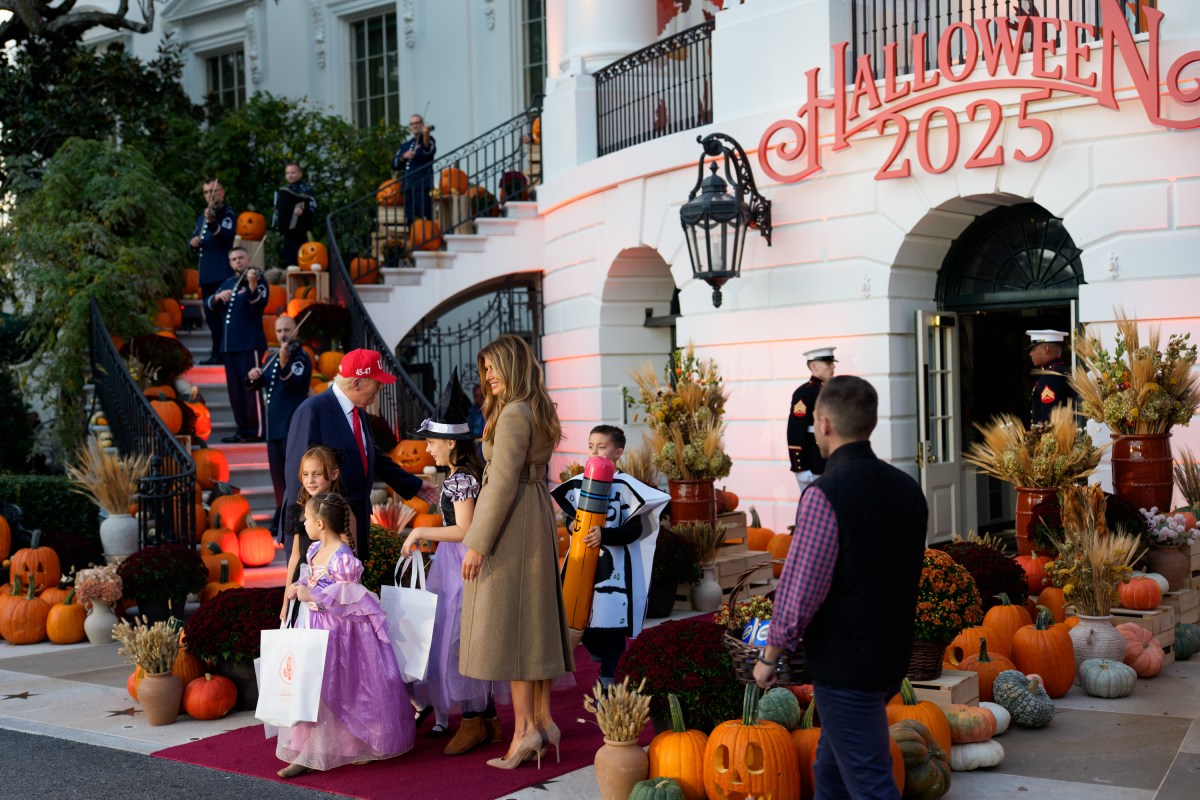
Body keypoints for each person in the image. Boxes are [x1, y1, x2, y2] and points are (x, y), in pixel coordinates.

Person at [755, 375, 927, 800]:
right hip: (891, 653)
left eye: (814, 421)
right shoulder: (907, 488)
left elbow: (800, 590)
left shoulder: (824, 495)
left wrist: (769, 656)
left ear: (825, 423)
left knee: (871, 785)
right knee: (830, 772)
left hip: (848, 665)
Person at [460, 334, 573, 770]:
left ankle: (526, 731)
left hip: (510, 524)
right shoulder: (537, 408)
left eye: (493, 367)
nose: (487, 376)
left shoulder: (512, 414)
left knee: (512, 629)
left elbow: (502, 482)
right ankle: (541, 723)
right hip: (534, 515)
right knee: (533, 624)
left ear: (513, 366)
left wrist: (477, 544)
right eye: (484, 369)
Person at [276, 492, 414, 777]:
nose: (303, 525)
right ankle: (306, 751)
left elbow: (348, 596)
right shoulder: (314, 550)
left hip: (341, 634)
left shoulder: (343, 558)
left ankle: (359, 742)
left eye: (306, 520)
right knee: (312, 688)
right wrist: (297, 587)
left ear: (320, 523)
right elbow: (309, 577)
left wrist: (310, 593)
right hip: (314, 627)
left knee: (345, 688)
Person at [401, 369, 499, 756]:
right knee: (459, 639)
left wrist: (420, 533)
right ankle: (486, 719)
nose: (427, 448)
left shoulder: (461, 479)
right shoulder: (461, 475)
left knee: (459, 641)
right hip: (452, 563)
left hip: (460, 564)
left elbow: (465, 529)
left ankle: (474, 721)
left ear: (449, 443)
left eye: (431, 441)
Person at [283, 349, 438, 560]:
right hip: (320, 534)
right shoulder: (313, 410)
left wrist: (415, 485)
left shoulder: (360, 415)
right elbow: (296, 475)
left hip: (353, 529)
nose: (380, 389)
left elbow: (373, 457)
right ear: (357, 384)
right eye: (377, 383)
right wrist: (303, 532)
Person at [550, 424, 669, 689]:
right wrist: (571, 525)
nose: (595, 452)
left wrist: (606, 535)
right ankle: (598, 651)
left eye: (601, 447)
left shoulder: (627, 487)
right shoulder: (582, 482)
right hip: (583, 568)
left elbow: (634, 529)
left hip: (615, 571)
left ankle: (609, 674)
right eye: (591, 446)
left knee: (612, 621)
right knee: (582, 618)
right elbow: (570, 514)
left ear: (618, 453)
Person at [247, 314, 312, 530]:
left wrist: (285, 360)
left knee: (293, 476)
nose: (283, 335)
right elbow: (257, 385)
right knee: (277, 477)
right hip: (273, 429)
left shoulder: (301, 357)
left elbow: (293, 381)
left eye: (287, 330)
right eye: (278, 331)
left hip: (292, 428)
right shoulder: (271, 358)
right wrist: (253, 376)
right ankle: (280, 510)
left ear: (296, 331)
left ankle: (293, 516)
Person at [278, 446, 351, 624]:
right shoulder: (298, 510)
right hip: (301, 587)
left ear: (333, 474)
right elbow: (295, 556)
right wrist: (285, 601)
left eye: (317, 474)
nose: (310, 480)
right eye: (305, 474)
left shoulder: (340, 510)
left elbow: (347, 553)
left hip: (328, 591)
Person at [206, 246, 268, 443]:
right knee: (235, 391)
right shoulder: (227, 283)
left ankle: (256, 431)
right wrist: (216, 297)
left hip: (249, 344)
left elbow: (258, 304)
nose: (238, 261)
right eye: (233, 259)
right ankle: (242, 430)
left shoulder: (258, 279)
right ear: (230, 263)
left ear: (248, 259)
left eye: (241, 257)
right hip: (229, 346)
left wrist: (251, 285)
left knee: (251, 389)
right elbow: (210, 304)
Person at [189, 177, 237, 365]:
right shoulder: (202, 215)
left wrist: (212, 223)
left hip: (221, 272)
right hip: (206, 274)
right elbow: (195, 236)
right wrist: (192, 243)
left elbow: (226, 237)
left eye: (214, 191)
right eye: (207, 192)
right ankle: (215, 353)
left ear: (222, 192)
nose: (210, 195)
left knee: (221, 317)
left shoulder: (226, 213)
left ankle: (223, 353)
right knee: (210, 318)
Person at [788, 347, 837, 496]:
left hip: (828, 464)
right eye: (828, 363)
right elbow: (796, 430)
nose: (833, 367)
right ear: (814, 366)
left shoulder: (829, 390)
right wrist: (800, 467)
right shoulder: (805, 392)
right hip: (813, 465)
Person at [392, 113, 437, 226]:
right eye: (412, 123)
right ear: (409, 127)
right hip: (407, 188)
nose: (415, 125)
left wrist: (426, 134)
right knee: (410, 221)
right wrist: (404, 156)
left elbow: (428, 151)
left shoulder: (429, 140)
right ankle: (414, 242)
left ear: (422, 125)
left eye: (418, 123)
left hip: (422, 187)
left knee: (424, 220)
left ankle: (425, 242)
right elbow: (394, 164)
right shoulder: (405, 146)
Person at [273, 162, 317, 268]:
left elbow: (312, 208)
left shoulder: (305, 190)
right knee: (289, 261)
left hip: (301, 231)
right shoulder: (284, 191)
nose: (290, 175)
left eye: (293, 172)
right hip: (288, 232)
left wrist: (303, 211)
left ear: (300, 174)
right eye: (287, 173)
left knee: (300, 259)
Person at [1027, 329, 1075, 424]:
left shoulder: (1051, 376)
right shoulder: (1059, 371)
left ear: (1046, 349)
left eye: (1033, 349)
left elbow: (1048, 420)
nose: (1030, 354)